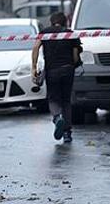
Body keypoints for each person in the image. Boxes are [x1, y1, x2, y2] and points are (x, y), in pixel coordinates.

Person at [31, 12, 82, 143]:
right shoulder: (70, 34)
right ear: (65, 22)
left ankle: (57, 117)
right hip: (67, 69)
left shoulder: (45, 33)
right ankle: (67, 133)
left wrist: (34, 67)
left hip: (52, 70)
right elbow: (75, 55)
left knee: (53, 99)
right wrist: (74, 64)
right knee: (66, 100)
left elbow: (36, 47)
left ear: (51, 22)